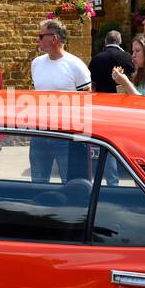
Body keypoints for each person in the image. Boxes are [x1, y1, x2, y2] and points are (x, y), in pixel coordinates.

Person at [29, 19, 91, 183]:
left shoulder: (76, 65)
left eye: (41, 35)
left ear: (54, 38)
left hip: (66, 136)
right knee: (37, 184)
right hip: (40, 133)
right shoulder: (36, 64)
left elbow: (87, 102)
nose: (37, 39)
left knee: (71, 184)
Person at [89, 30, 135, 94]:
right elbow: (133, 78)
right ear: (120, 41)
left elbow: (92, 83)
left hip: (101, 99)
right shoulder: (128, 57)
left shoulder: (96, 58)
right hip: (123, 100)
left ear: (105, 41)